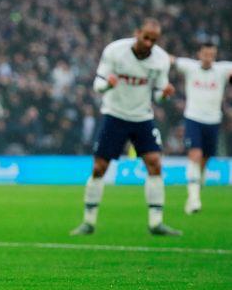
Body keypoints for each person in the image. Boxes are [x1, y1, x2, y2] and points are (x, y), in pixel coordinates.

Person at [70, 18, 182, 236]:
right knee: (99, 168)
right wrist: (107, 85)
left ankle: (156, 223)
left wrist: (165, 95)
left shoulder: (160, 60)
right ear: (137, 33)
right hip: (115, 115)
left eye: (154, 39)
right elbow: (98, 84)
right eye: (146, 37)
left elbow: (159, 96)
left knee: (155, 164)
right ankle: (88, 222)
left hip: (142, 117)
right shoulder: (115, 51)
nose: (149, 43)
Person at [171, 42, 232, 214]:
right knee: (195, 154)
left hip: (213, 121)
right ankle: (194, 199)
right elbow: (171, 60)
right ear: (199, 54)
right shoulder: (190, 67)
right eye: (205, 54)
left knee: (204, 160)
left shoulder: (222, 69)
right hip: (193, 119)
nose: (208, 58)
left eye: (211, 55)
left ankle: (195, 189)